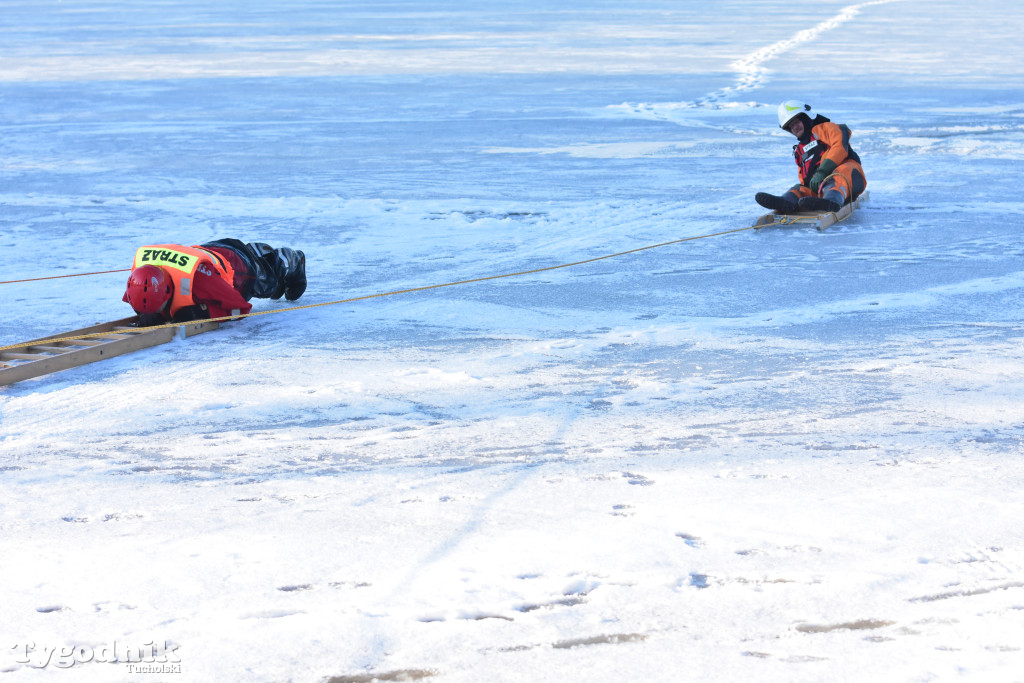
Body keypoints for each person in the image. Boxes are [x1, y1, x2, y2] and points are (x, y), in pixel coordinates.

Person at [122, 239, 306, 327]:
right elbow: (141, 298)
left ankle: (289, 259)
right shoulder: (139, 277)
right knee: (265, 276)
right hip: (209, 251)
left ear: (169, 291)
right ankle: (256, 253)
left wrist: (201, 311)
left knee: (268, 286)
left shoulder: (202, 281)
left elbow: (241, 308)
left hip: (238, 267)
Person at [755, 100, 866, 214]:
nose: (795, 128)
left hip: (849, 179)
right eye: (791, 126)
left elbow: (840, 147)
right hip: (822, 188)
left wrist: (822, 172)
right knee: (800, 188)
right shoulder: (800, 150)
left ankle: (832, 201)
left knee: (843, 171)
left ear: (805, 118)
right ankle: (787, 202)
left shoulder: (826, 128)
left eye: (796, 122)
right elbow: (804, 178)